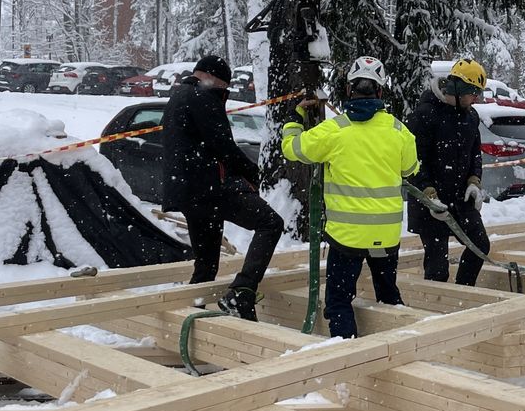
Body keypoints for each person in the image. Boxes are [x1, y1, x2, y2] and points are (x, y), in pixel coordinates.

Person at [281, 56, 420, 339]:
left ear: (349, 90)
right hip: (385, 235)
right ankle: (399, 345)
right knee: (388, 296)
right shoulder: (399, 132)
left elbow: (292, 149)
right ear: (381, 92)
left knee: (340, 301)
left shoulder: (335, 131)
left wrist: (294, 119)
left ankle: (347, 355)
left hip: (347, 239)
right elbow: (411, 169)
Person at [161, 54, 284, 320]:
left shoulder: (179, 96)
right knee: (271, 223)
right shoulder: (202, 98)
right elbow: (223, 147)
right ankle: (242, 291)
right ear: (207, 76)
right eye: (223, 88)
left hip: (188, 192)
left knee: (206, 265)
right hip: (209, 189)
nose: (223, 94)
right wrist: (253, 172)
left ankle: (190, 317)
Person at [408, 58, 491, 286]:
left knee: (480, 246)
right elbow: (413, 161)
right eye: (473, 93)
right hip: (431, 204)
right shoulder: (425, 115)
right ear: (459, 89)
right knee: (437, 268)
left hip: (460, 199)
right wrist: (428, 193)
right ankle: (438, 310)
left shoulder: (470, 116)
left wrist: (475, 181)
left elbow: (475, 153)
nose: (475, 99)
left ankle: (464, 291)